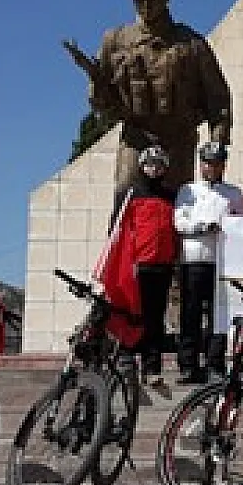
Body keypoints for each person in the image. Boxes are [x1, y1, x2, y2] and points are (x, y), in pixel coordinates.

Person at [67, 0, 233, 195]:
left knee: (179, 206)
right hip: (137, 136)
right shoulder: (116, 41)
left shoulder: (191, 43)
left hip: (179, 139)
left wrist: (218, 143)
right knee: (127, 199)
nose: (145, 5)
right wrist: (97, 85)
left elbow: (218, 97)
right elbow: (98, 102)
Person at [173, 141, 243, 384]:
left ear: (223, 165)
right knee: (190, 314)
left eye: (216, 163)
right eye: (207, 162)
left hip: (222, 262)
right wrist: (203, 227)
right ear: (200, 164)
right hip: (193, 259)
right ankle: (188, 364)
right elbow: (179, 223)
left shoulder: (234, 193)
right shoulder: (187, 190)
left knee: (219, 317)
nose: (211, 167)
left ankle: (215, 363)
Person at [109, 146, 178, 385]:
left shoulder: (171, 196)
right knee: (131, 315)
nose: (154, 168)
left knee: (155, 318)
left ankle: (152, 367)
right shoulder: (130, 194)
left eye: (159, 164)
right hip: (136, 265)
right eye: (150, 164)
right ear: (142, 166)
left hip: (163, 265)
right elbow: (116, 231)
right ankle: (126, 359)